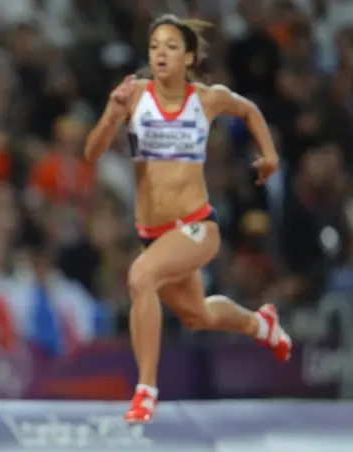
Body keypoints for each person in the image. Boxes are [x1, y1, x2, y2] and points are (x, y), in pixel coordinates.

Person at [84, 14, 291, 424]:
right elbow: (92, 154)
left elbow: (248, 109)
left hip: (197, 225)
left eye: (171, 46)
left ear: (189, 57)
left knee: (141, 277)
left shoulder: (206, 99)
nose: (161, 52)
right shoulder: (134, 96)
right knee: (199, 315)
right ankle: (260, 324)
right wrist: (111, 114)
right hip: (154, 234)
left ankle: (146, 390)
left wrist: (269, 154)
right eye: (155, 45)